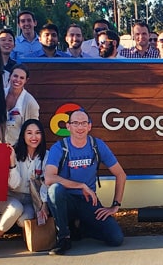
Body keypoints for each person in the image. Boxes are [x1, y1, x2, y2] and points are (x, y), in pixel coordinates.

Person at [45, 109, 127, 254]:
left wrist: (115, 205)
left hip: (88, 201)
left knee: (116, 238)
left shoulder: (97, 145)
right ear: (68, 126)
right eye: (75, 123)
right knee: (55, 189)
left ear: (89, 126)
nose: (80, 127)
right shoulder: (59, 147)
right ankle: (63, 238)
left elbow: (121, 174)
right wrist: (80, 185)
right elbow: (49, 178)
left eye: (84, 123)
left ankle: (82, 229)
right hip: (66, 201)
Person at [0, 119, 50, 256]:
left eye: (37, 133)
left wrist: (44, 204)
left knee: (23, 220)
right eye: (29, 133)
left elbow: (46, 182)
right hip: (10, 197)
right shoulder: (14, 152)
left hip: (31, 199)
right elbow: (14, 184)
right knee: (16, 208)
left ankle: (29, 238)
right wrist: (12, 162)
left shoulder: (46, 156)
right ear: (23, 135)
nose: (34, 137)